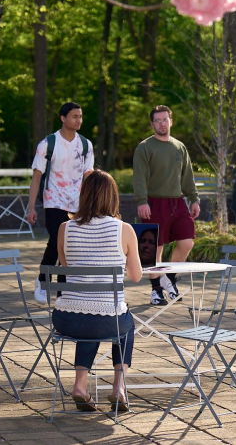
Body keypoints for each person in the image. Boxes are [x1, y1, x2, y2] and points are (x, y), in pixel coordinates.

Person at [52, 170, 142, 412]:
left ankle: (80, 385)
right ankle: (118, 388)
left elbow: (68, 268)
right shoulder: (124, 229)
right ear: (112, 197)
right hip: (105, 322)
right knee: (124, 322)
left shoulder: (64, 229)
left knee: (90, 313)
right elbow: (136, 275)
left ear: (84, 195)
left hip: (65, 319)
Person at [26, 101, 94, 304]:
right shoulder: (48, 143)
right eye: (75, 116)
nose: (79, 120)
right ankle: (43, 280)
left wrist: (93, 203)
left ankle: (63, 293)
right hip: (54, 201)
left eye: (80, 116)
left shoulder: (85, 144)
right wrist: (31, 207)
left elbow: (89, 175)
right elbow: (36, 177)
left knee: (71, 247)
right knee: (57, 242)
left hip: (77, 204)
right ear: (63, 118)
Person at [133, 105, 200, 306]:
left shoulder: (180, 147)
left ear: (171, 121)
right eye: (158, 120)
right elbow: (140, 178)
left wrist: (194, 198)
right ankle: (156, 291)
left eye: (165, 119)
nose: (162, 123)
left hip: (178, 202)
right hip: (153, 203)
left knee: (187, 242)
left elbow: (187, 176)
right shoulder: (145, 147)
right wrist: (142, 201)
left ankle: (169, 278)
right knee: (155, 250)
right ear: (152, 124)